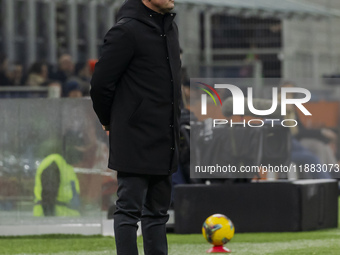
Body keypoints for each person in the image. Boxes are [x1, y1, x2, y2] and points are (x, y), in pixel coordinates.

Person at [90, 0, 181, 254]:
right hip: (134, 137)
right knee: (129, 211)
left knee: (157, 214)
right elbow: (100, 85)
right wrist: (111, 122)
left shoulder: (170, 29)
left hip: (166, 136)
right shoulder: (126, 31)